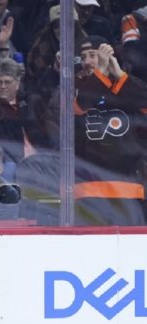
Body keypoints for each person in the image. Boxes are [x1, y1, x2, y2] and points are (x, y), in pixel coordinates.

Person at [74, 34, 147, 225]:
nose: (88, 61)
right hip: (89, 189)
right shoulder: (73, 86)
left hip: (130, 188)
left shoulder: (127, 87)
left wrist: (119, 73)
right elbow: (79, 108)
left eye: (93, 55)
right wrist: (100, 73)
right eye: (84, 57)